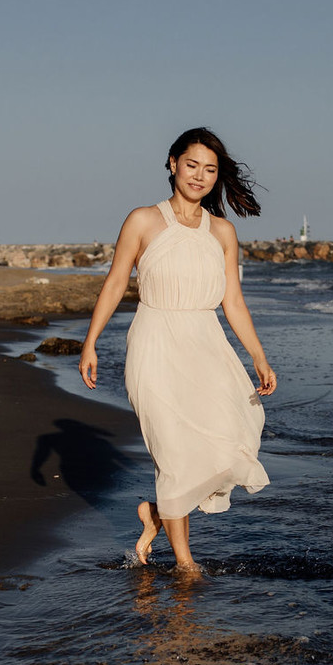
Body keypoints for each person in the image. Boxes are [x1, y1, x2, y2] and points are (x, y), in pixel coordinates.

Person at [80, 128, 276, 570]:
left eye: (210, 169)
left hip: (206, 345)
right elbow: (115, 283)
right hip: (154, 342)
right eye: (192, 165)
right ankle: (186, 564)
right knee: (173, 451)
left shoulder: (223, 231)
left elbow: (234, 302)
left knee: (220, 446)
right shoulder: (143, 221)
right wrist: (90, 342)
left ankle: (154, 516)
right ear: (172, 163)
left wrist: (259, 356)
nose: (200, 176)